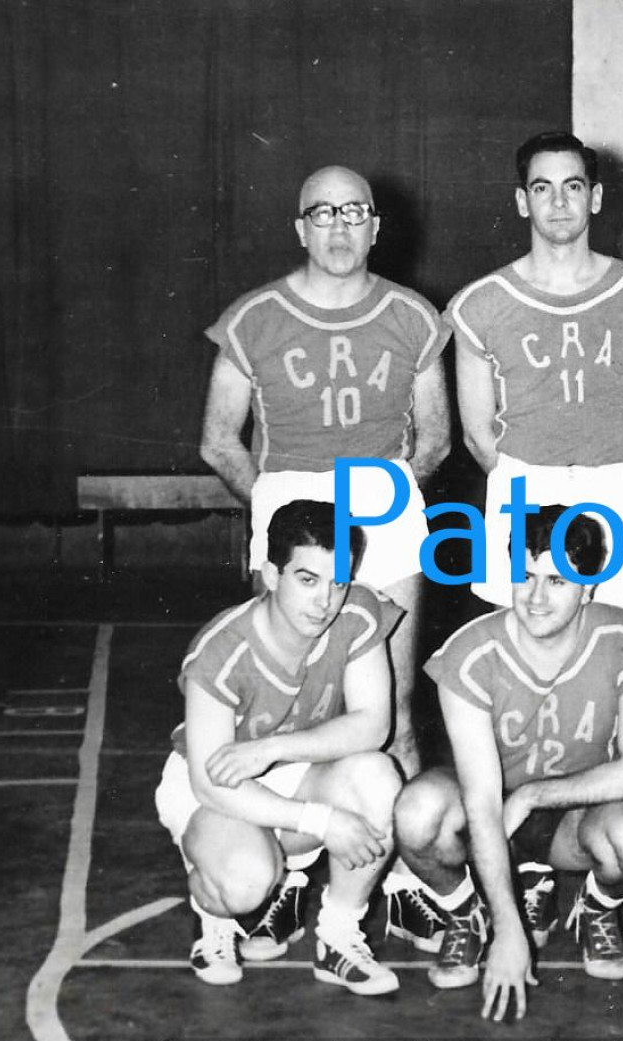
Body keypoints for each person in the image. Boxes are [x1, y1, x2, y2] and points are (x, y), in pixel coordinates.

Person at [197, 165, 450, 949]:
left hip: (384, 520)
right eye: (322, 213)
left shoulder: (412, 315)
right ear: (299, 227)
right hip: (295, 524)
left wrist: (379, 505)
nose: (339, 227)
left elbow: (435, 434)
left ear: (377, 226)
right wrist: (280, 512)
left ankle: (400, 881)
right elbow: (216, 439)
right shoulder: (254, 318)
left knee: (394, 714)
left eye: (354, 213)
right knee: (282, 711)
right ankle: (288, 880)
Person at [391, 506, 623, 1020]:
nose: (536, 597)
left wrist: (534, 795)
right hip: (494, 811)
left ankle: (598, 904)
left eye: (557, 579)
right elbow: (480, 800)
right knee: (417, 812)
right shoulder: (471, 653)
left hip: (579, 813)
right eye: (525, 575)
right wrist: (508, 931)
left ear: (589, 587)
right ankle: (465, 911)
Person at [152, 500, 402, 995]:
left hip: (293, 765)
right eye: (307, 580)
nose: (325, 601)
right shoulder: (222, 650)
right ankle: (213, 915)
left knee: (380, 779)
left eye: (338, 581)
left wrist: (272, 749)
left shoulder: (357, 610)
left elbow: (373, 725)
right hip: (215, 788)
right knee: (245, 883)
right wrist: (321, 821)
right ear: (271, 574)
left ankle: (338, 937)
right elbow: (211, 781)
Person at [448, 132, 623, 611]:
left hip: (613, 484)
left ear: (594, 197)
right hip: (523, 487)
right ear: (521, 201)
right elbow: (475, 432)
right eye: (541, 187)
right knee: (523, 654)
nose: (557, 201)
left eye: (572, 186)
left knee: (614, 649)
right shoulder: (480, 302)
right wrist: (529, 481)